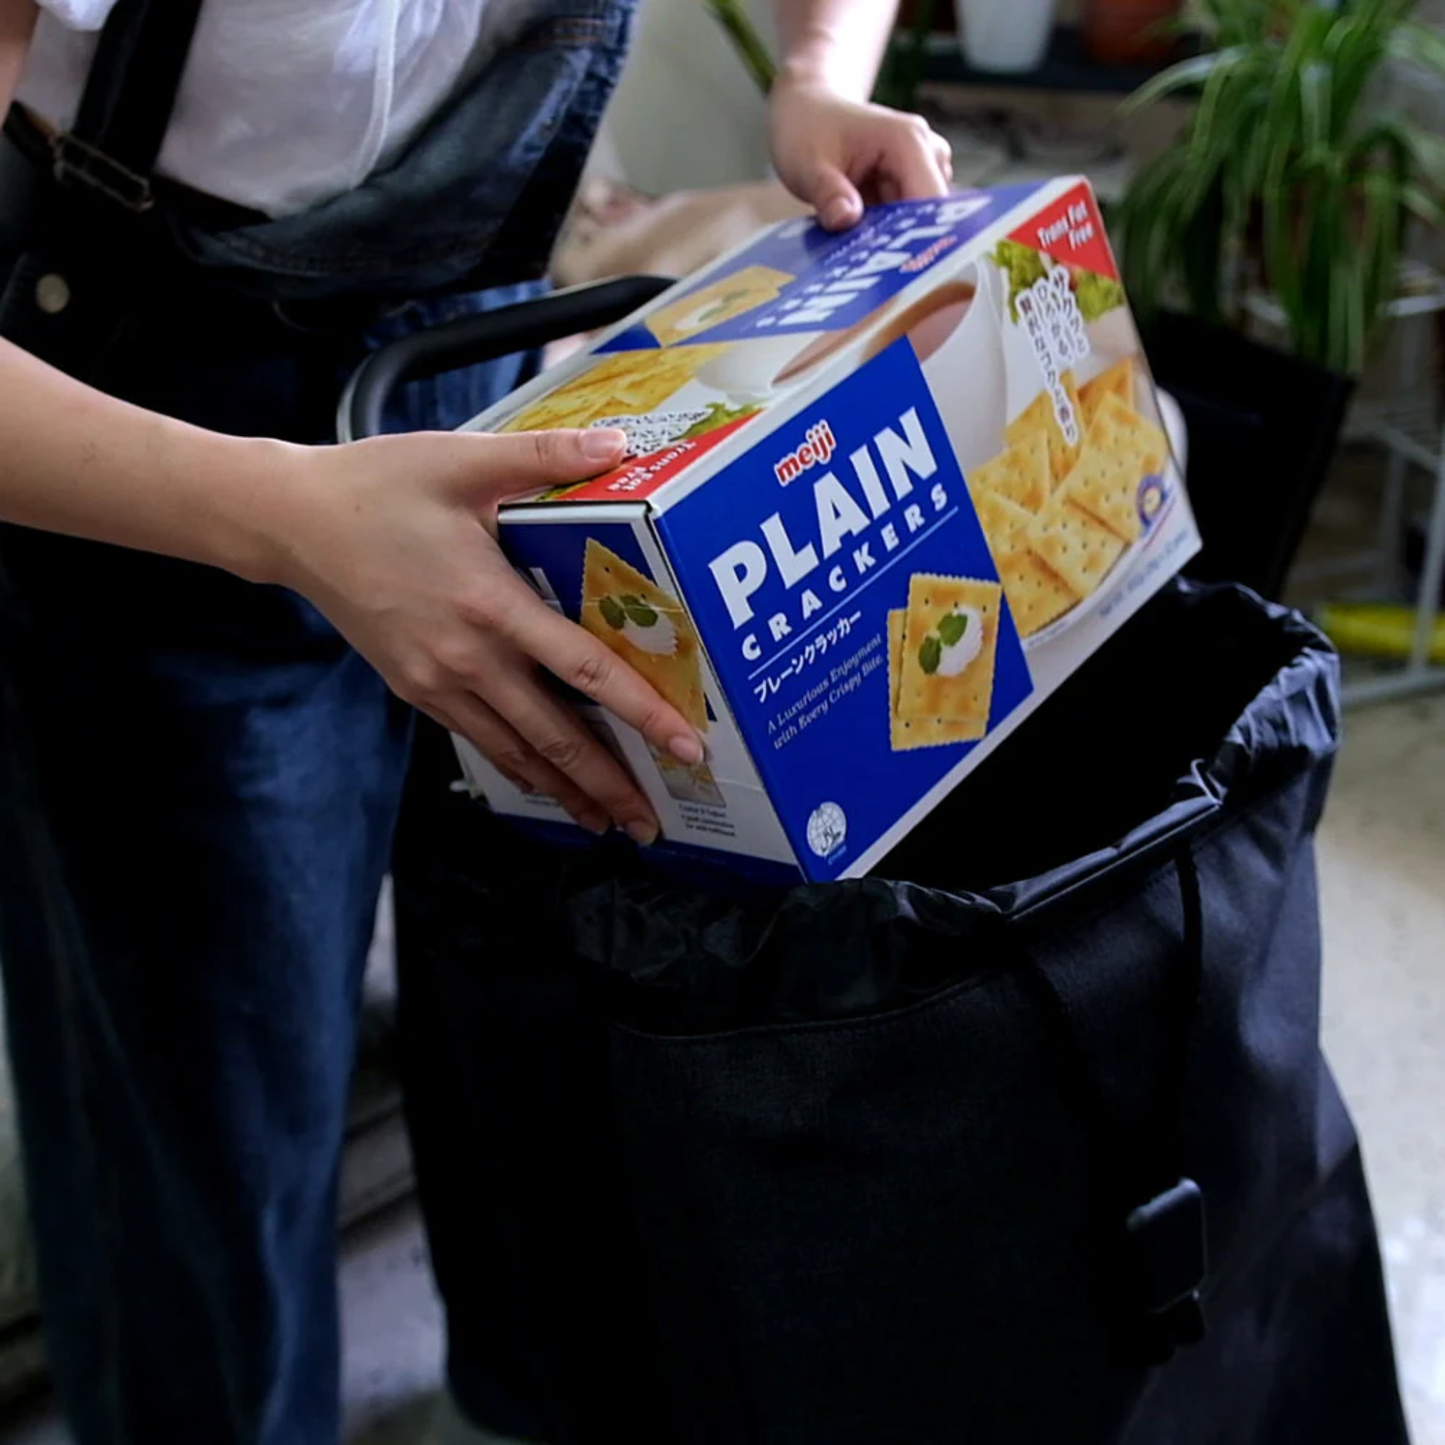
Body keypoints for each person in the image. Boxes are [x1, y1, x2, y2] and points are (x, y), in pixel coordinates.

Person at [0, 2, 951, 1442]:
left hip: (488, 354)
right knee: (206, 1144)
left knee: (542, 1003)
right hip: (156, 435)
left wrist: (819, 82)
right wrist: (284, 522)